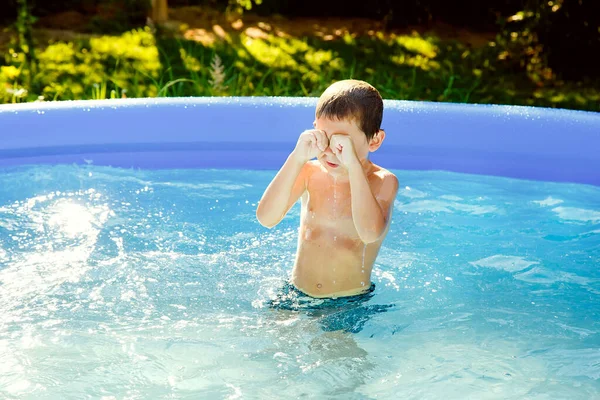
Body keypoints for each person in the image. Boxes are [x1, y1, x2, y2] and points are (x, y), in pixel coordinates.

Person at [256, 79, 398, 300]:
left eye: (343, 143)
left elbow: (370, 233)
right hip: (295, 293)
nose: (331, 151)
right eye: (324, 137)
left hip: (348, 301)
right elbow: (266, 218)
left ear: (375, 140)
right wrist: (296, 158)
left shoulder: (382, 181)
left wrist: (352, 165)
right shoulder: (308, 172)